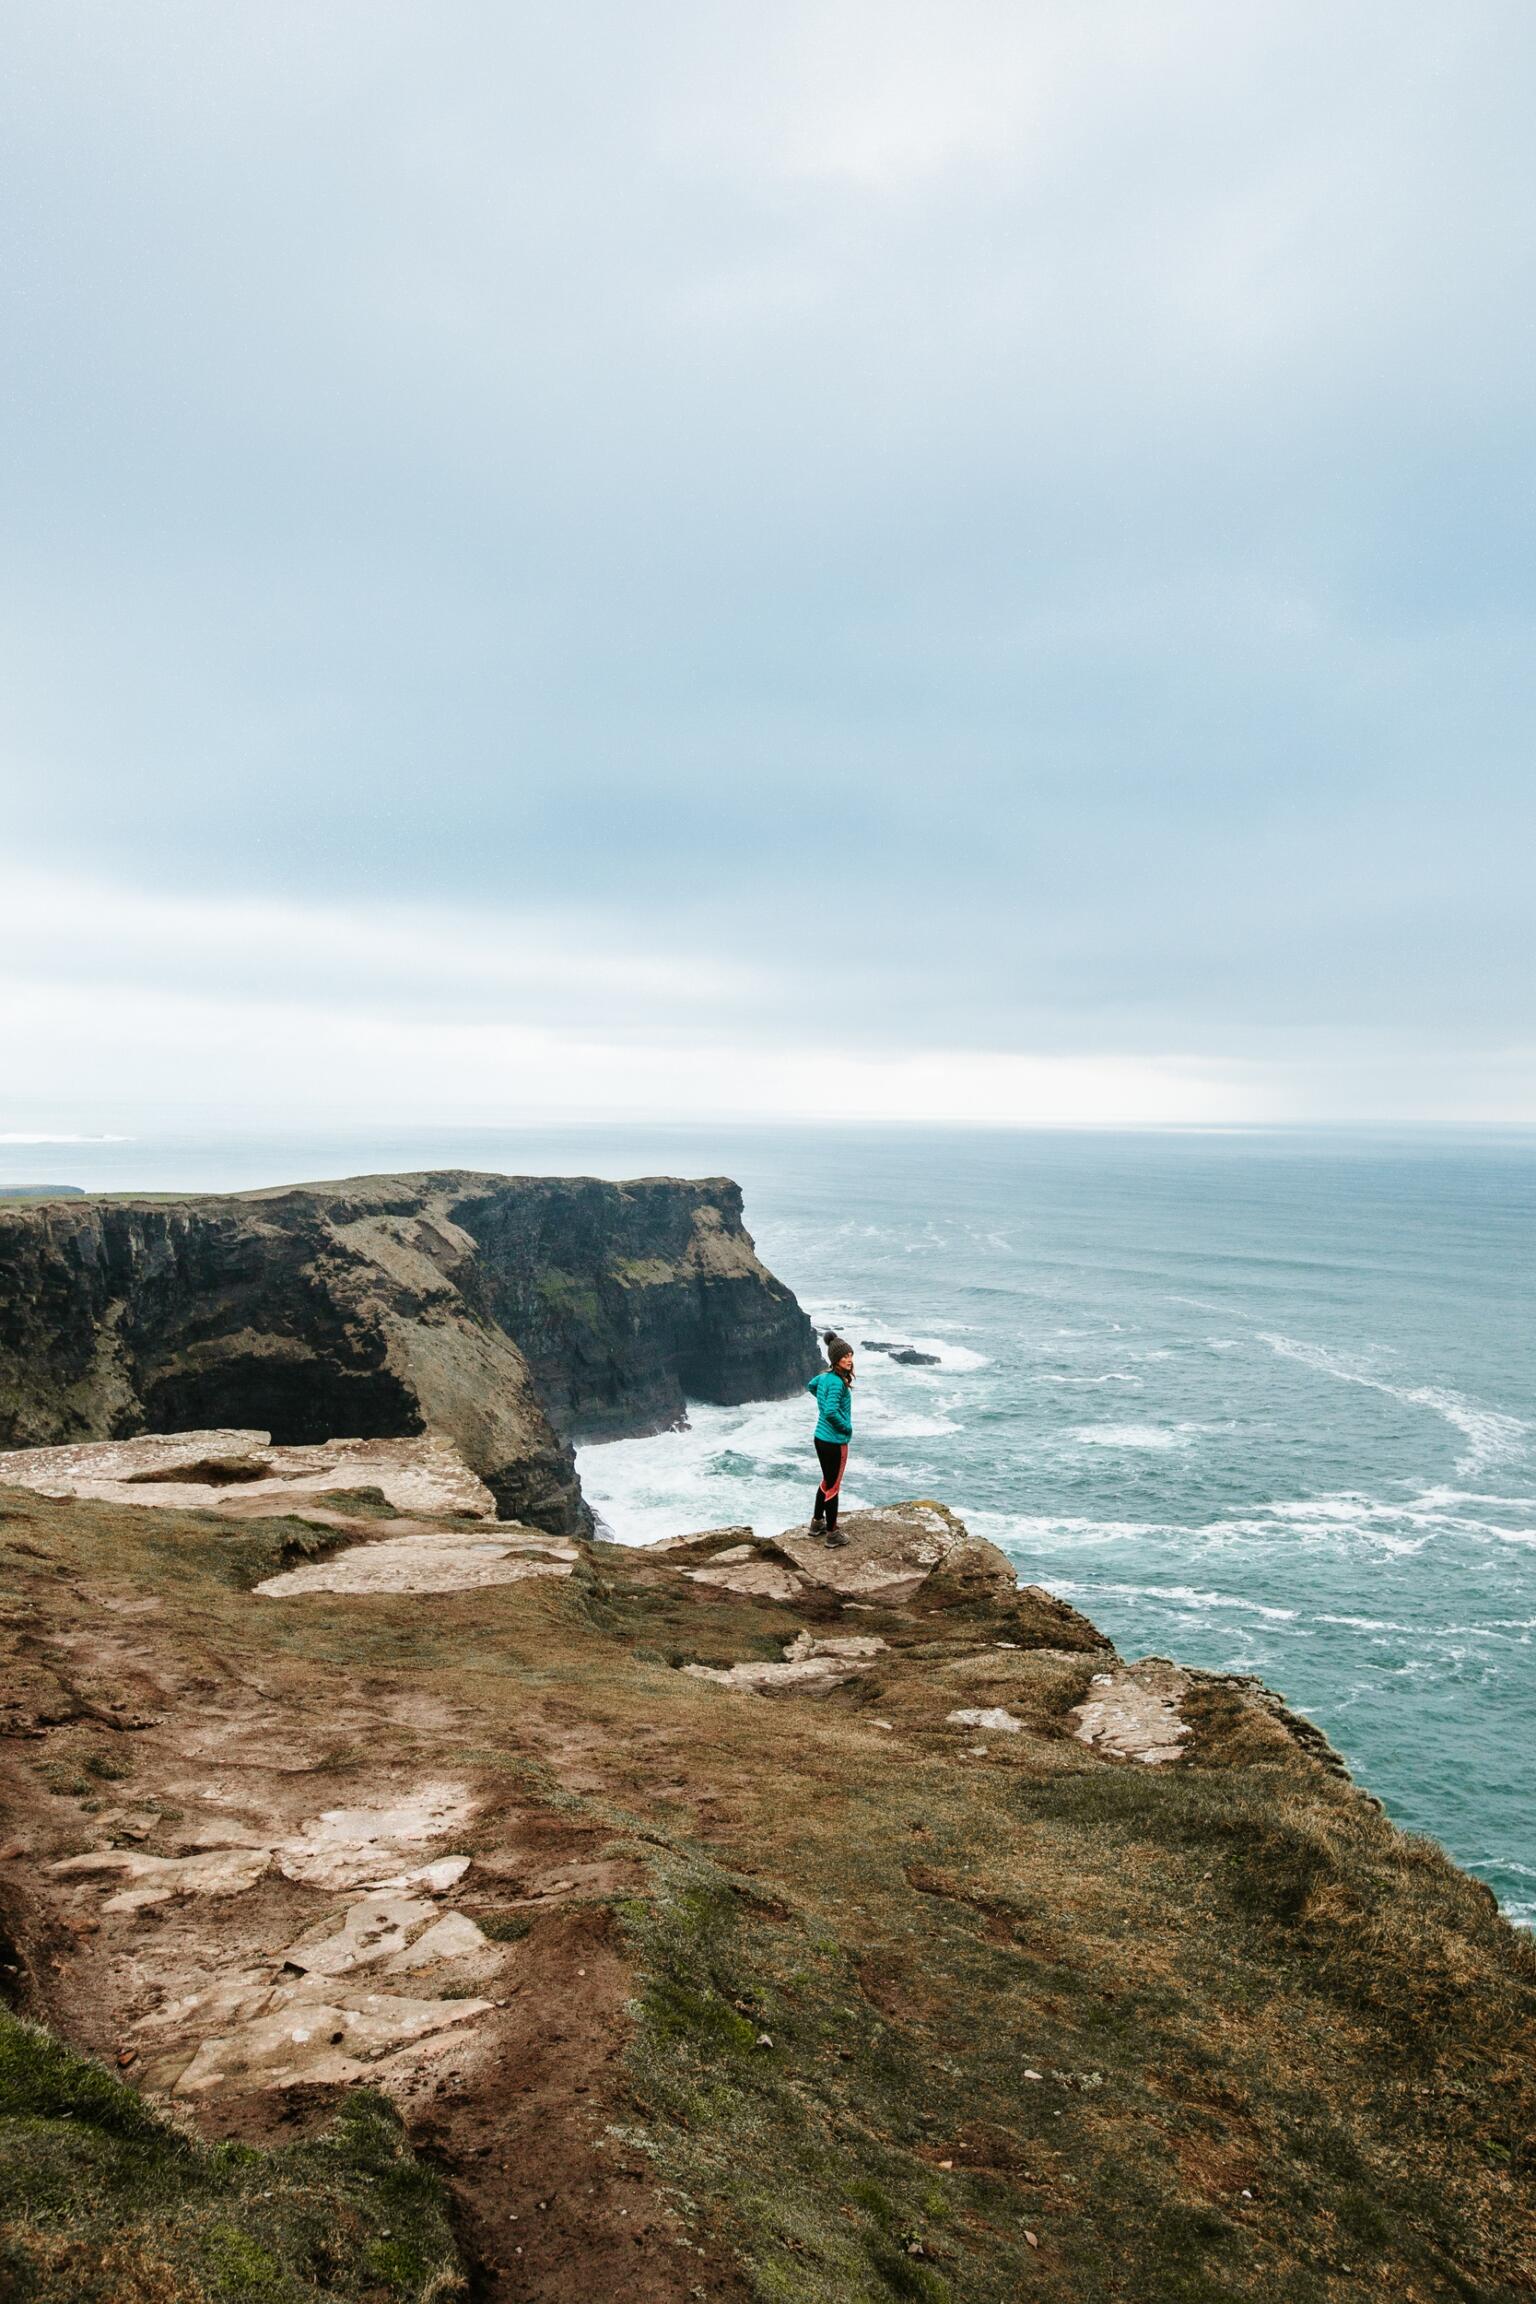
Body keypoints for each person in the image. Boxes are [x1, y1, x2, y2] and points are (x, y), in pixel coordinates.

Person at [806, 1330, 854, 1543]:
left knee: (827, 1480)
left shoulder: (825, 1378)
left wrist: (822, 1401)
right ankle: (832, 1534)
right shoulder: (836, 1382)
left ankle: (817, 1522)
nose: (849, 1360)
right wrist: (846, 1429)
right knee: (833, 1486)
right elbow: (831, 1412)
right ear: (835, 1360)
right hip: (834, 1441)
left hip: (820, 1438)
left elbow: (811, 1386)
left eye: (850, 1355)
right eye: (844, 1357)